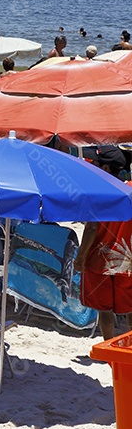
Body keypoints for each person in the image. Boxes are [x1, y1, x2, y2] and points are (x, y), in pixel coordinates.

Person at [75, 145, 132, 340]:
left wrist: (80, 257)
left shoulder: (98, 192)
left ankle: (109, 348)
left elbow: (91, 228)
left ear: (106, 169)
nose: (92, 166)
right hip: (126, 261)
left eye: (96, 163)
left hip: (98, 262)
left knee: (105, 311)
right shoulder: (130, 189)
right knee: (130, 309)